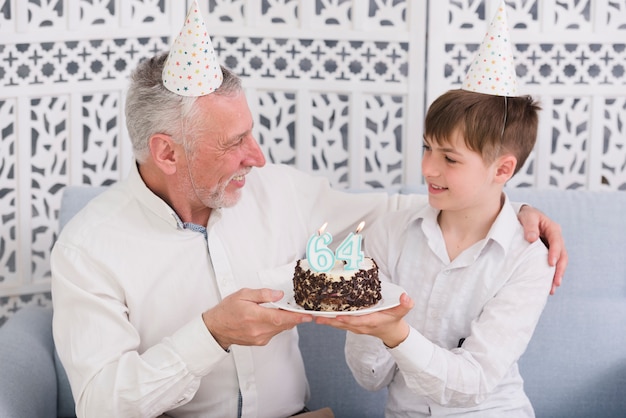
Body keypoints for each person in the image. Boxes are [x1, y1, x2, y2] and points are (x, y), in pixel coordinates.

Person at [50, 10, 566, 418]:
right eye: (235, 143)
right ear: (167, 153)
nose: (258, 156)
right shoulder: (90, 247)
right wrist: (211, 334)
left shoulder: (280, 192)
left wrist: (514, 210)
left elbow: (407, 209)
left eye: (251, 132)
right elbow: (100, 405)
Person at [317, 86, 555, 416]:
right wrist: (366, 323)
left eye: (449, 158)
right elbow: (370, 377)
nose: (427, 168)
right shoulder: (389, 233)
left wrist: (397, 334)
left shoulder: (529, 257)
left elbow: (474, 383)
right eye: (427, 147)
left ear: (502, 170)